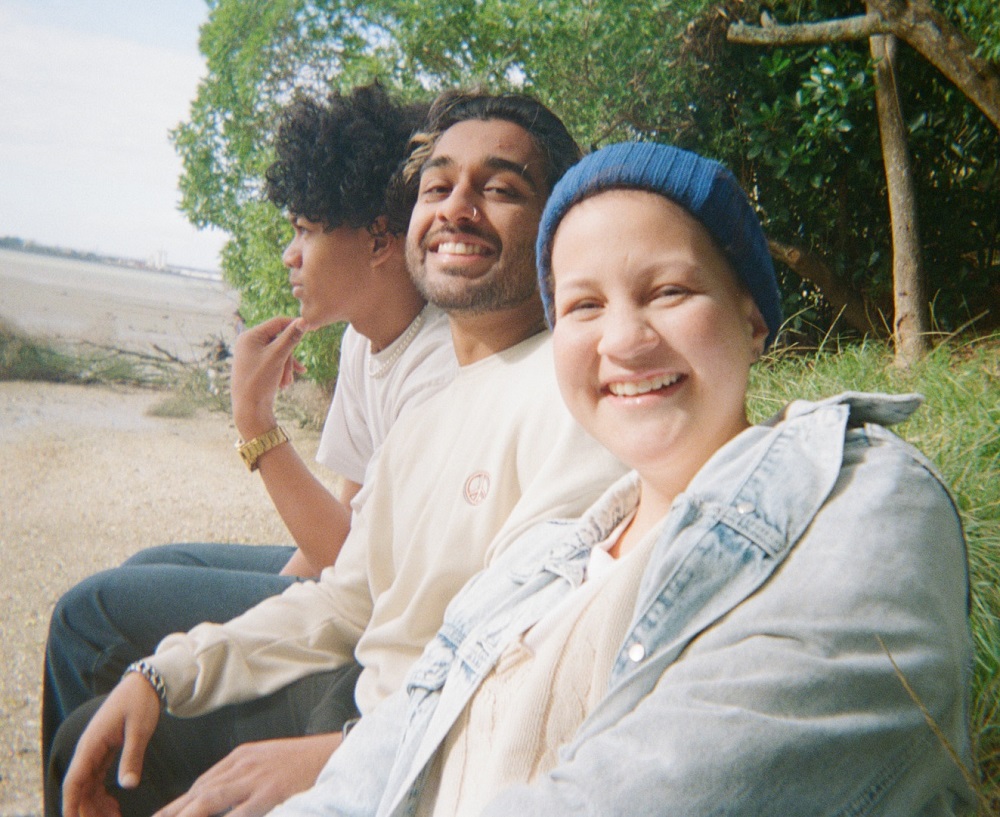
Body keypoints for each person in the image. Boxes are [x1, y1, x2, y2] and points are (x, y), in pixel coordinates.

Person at [270, 141, 976, 816]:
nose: (625, 340)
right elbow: (398, 734)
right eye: (583, 305)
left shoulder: (864, 494)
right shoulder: (539, 559)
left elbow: (685, 782)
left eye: (668, 290)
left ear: (753, 317)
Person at [54, 91, 627, 817]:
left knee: (96, 640)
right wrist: (165, 672)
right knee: (98, 732)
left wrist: (338, 753)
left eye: (501, 188)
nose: (457, 207)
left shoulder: (569, 392)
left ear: (556, 227)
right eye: (437, 186)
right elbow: (347, 591)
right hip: (369, 704)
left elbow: (527, 672)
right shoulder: (427, 416)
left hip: (404, 753)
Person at [40, 81, 457, 781]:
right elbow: (340, 524)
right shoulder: (364, 338)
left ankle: (107, 777)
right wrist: (263, 601)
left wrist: (256, 425)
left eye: (305, 229)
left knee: (89, 614)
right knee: (144, 568)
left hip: (376, 600)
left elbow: (351, 562)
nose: (290, 256)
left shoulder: (440, 362)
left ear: (381, 239)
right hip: (346, 564)